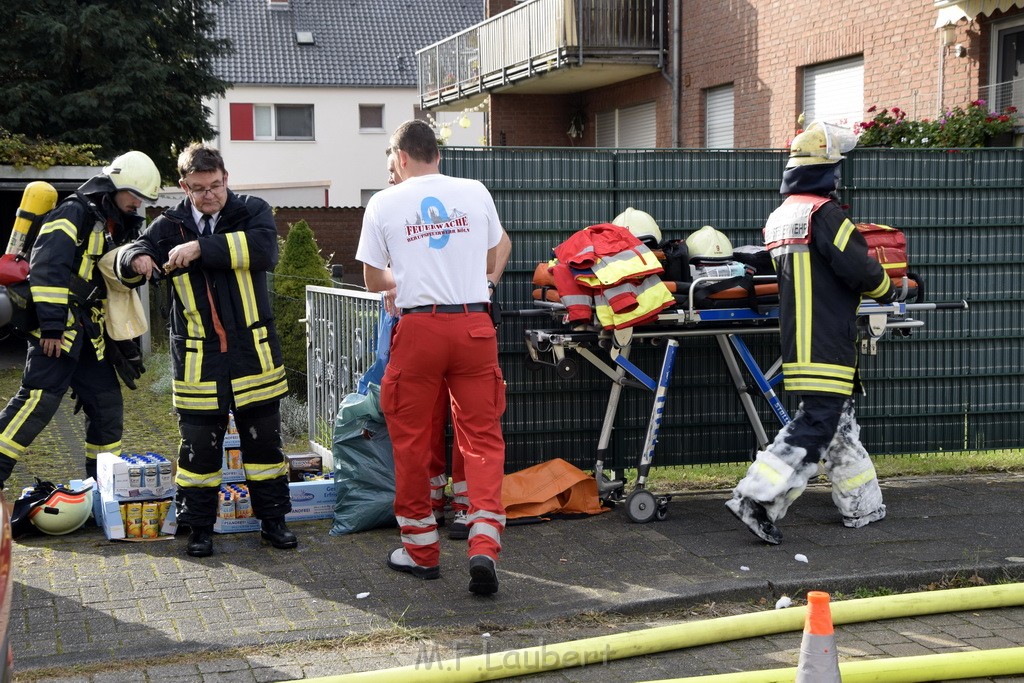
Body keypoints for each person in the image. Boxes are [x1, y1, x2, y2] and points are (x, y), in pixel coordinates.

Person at [118, 143, 295, 558]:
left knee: (265, 446)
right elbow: (131, 252)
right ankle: (199, 529)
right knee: (198, 450)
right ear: (184, 186)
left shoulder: (252, 210)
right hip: (199, 358)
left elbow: (265, 251)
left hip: (254, 353)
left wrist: (200, 249)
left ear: (226, 179)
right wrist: (137, 259)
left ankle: (274, 523)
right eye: (199, 189)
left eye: (216, 185)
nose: (210, 194)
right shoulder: (168, 226)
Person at [357, 119, 510, 595]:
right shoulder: (474, 190)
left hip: (420, 329)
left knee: (410, 439)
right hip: (473, 326)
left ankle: (421, 552)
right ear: (436, 155)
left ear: (400, 157)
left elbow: (372, 280)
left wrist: (402, 281)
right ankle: (483, 542)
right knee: (482, 437)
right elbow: (497, 249)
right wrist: (481, 283)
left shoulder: (384, 202)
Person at [725, 121, 898, 545]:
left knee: (837, 422)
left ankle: (862, 504)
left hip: (799, 337)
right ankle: (757, 498)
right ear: (828, 172)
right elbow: (859, 269)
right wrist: (891, 288)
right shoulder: (825, 214)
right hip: (828, 337)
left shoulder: (781, 217)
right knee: (816, 423)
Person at [0, 151, 160, 489]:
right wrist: (53, 327)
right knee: (38, 403)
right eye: (135, 195)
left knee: (106, 408)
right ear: (115, 185)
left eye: (143, 199)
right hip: (57, 332)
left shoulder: (112, 222)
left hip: (90, 334)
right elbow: (47, 269)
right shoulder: (73, 212)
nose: (138, 204)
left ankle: (102, 488)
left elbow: (108, 281)